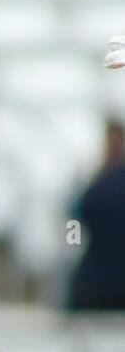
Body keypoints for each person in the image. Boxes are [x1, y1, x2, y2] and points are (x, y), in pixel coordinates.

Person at [68, 120, 125, 311]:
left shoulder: (97, 183)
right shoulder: (95, 182)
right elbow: (74, 218)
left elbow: (74, 216)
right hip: (97, 280)